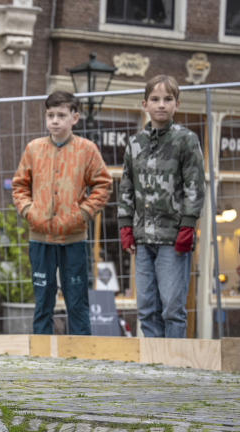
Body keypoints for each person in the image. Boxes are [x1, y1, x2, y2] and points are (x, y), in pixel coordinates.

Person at [12, 91, 111, 336]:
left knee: (77, 301)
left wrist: (83, 214)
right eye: (50, 115)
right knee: (42, 302)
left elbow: (103, 184)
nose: (55, 120)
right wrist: (28, 211)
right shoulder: (34, 149)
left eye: (61, 115)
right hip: (40, 239)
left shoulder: (87, 150)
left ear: (74, 118)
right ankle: (41, 361)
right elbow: (19, 185)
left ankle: (81, 360)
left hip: (74, 240)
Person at [119, 75, 205, 339]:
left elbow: (195, 184)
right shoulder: (134, 143)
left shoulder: (186, 140)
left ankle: (174, 365)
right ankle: (154, 363)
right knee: (145, 307)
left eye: (168, 99)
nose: (161, 105)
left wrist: (188, 225)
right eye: (155, 99)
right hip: (143, 239)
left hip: (173, 238)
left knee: (172, 307)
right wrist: (125, 225)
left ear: (177, 104)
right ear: (144, 104)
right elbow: (126, 186)